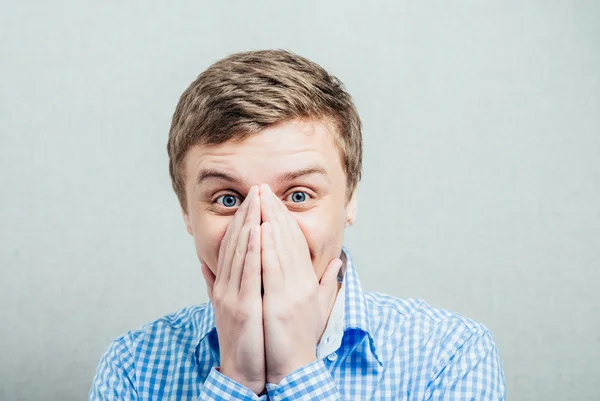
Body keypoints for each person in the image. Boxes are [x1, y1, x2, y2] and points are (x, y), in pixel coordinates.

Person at [89, 49, 506, 400]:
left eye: (299, 196)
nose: (263, 228)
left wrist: (295, 369)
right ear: (186, 212)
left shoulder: (450, 354)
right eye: (228, 199)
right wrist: (236, 379)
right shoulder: (132, 367)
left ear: (350, 199)